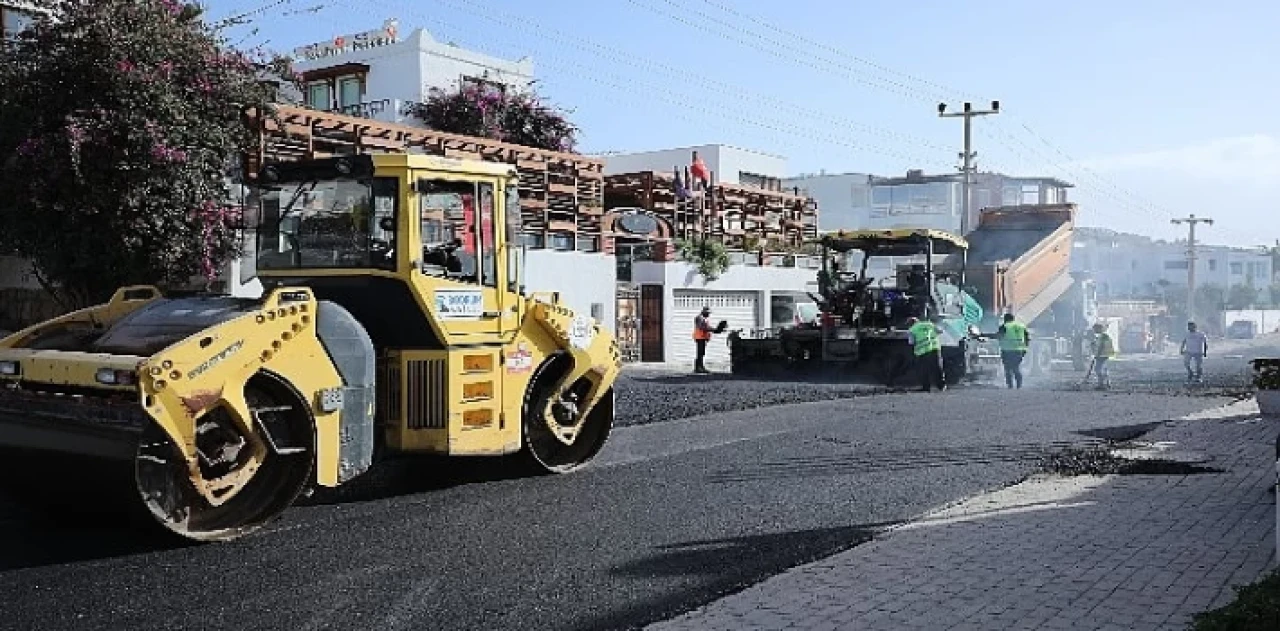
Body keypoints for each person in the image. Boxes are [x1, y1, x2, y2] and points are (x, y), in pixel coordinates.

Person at [908, 316, 946, 392]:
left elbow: (911, 342)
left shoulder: (912, 330)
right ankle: (941, 386)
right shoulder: (930, 324)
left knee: (923, 370)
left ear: (910, 324)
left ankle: (926, 387)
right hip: (934, 349)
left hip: (922, 352)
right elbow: (940, 331)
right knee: (937, 368)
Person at [996, 312, 1030, 389]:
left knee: (1008, 369)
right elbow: (1027, 338)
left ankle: (1010, 386)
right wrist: (1025, 349)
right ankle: (1019, 386)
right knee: (1016, 368)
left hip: (1007, 350)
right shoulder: (1021, 326)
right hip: (1019, 350)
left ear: (1005, 319)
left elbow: (998, 336)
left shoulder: (1004, 326)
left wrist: (983, 335)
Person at [1090, 323, 1117, 390]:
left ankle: (1101, 384)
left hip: (1102, 355)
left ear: (1099, 328)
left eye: (1095, 329)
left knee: (1098, 369)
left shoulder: (1103, 336)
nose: (1094, 331)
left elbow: (1101, 346)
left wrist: (1097, 354)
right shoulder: (1103, 336)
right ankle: (1107, 383)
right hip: (1104, 355)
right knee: (1104, 369)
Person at [692, 306, 716, 374]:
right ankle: (698, 367)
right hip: (699, 337)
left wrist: (713, 330)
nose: (709, 315)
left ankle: (701, 366)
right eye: (708, 313)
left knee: (702, 353)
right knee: (699, 353)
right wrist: (712, 329)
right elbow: (702, 327)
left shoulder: (704, 319)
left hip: (703, 337)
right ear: (704, 312)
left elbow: (706, 327)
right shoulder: (699, 318)